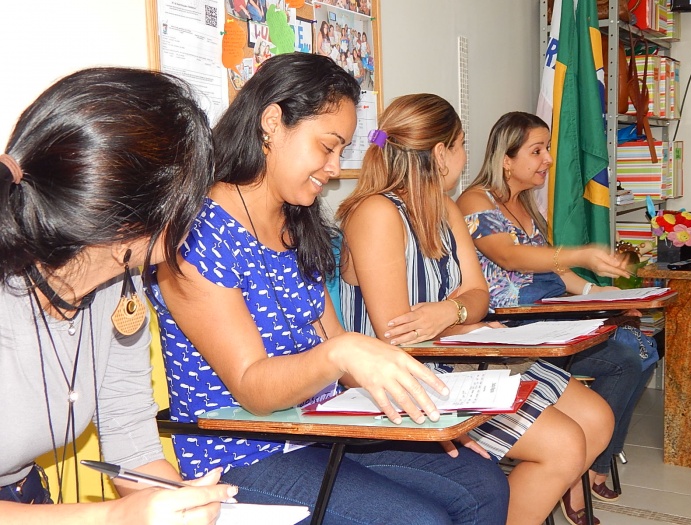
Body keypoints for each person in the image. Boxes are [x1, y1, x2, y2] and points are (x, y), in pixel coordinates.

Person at [146, 53, 510, 525]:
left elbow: (337, 344)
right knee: (418, 520)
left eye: (342, 151)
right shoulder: (197, 235)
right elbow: (254, 386)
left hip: (320, 428)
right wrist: (340, 354)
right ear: (272, 123)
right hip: (242, 453)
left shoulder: (295, 224)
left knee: (482, 483)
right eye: (327, 147)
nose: (335, 168)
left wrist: (430, 416)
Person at [336, 93, 615, 525]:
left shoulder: (446, 207)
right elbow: (397, 334)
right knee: (563, 445)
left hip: (456, 354)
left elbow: (478, 295)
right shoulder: (376, 212)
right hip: (405, 376)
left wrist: (451, 313)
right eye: (462, 144)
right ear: (440, 153)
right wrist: (458, 320)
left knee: (597, 418)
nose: (467, 156)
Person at [0, 67, 236, 523]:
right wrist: (112, 517)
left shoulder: (119, 289)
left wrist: (181, 503)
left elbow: (131, 438)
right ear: (131, 222)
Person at [457, 111, 652, 524]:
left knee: (641, 347)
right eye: (537, 150)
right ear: (506, 158)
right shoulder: (476, 201)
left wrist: (606, 295)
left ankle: (585, 461)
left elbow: (558, 274)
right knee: (625, 358)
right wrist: (581, 254)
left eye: (546, 148)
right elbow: (510, 256)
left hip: (549, 316)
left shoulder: (527, 207)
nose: (547, 159)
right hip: (512, 325)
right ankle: (582, 470)